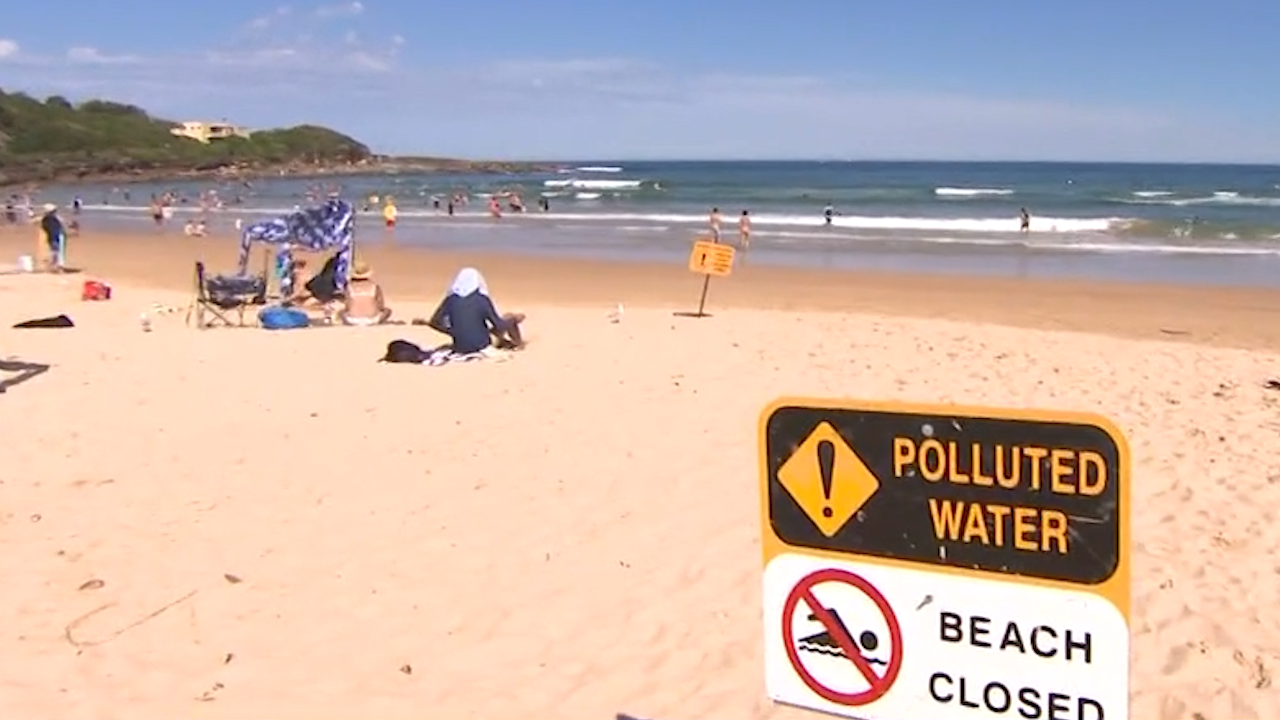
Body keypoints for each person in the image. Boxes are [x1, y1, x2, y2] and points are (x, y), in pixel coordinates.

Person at [427, 268, 525, 354]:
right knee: (509, 317)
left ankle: (507, 341)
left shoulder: (450, 300)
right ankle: (519, 344)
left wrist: (455, 332)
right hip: (482, 345)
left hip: (460, 346)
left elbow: (434, 322)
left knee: (473, 326)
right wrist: (515, 320)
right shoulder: (482, 299)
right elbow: (498, 324)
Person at [339, 260, 392, 326]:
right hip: (372, 319)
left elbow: (348, 306)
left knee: (341, 312)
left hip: (353, 320)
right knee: (388, 311)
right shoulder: (374, 286)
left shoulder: (349, 287)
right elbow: (380, 306)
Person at [38, 203, 66, 271]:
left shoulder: (46, 218)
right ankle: (55, 266)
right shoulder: (51, 218)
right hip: (55, 235)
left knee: (56, 251)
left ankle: (55, 265)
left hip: (55, 235)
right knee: (57, 251)